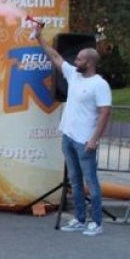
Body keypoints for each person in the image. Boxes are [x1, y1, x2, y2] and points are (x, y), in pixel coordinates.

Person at [34, 30, 112, 236]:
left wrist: (94, 139)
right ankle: (79, 219)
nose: (75, 61)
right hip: (68, 137)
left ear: (90, 63)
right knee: (75, 181)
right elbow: (56, 57)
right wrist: (39, 38)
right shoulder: (73, 75)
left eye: (79, 59)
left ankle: (97, 223)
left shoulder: (100, 84)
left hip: (85, 141)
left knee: (90, 182)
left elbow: (105, 113)